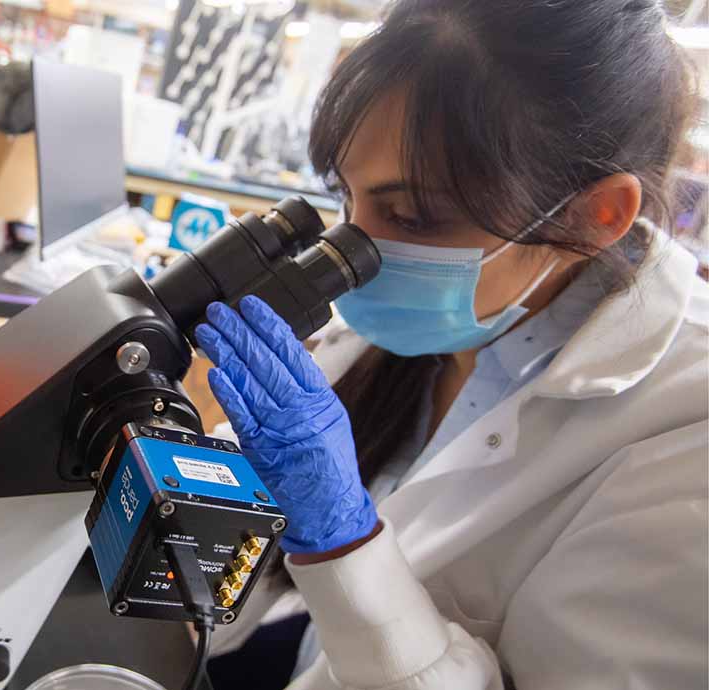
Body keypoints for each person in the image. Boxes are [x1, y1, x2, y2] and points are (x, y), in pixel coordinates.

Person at [197, 1, 708, 688]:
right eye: (347, 197)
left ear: (596, 217)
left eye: (411, 213)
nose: (353, 248)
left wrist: (345, 544)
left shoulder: (687, 436)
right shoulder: (448, 318)